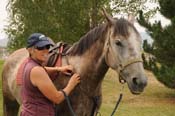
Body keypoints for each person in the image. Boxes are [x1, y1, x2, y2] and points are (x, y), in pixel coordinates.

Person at [20, 33, 80, 116]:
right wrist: (71, 84)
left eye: (47, 47)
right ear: (30, 50)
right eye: (40, 47)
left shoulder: (30, 64)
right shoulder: (37, 71)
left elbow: (44, 70)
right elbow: (57, 98)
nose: (46, 51)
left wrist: (58, 69)